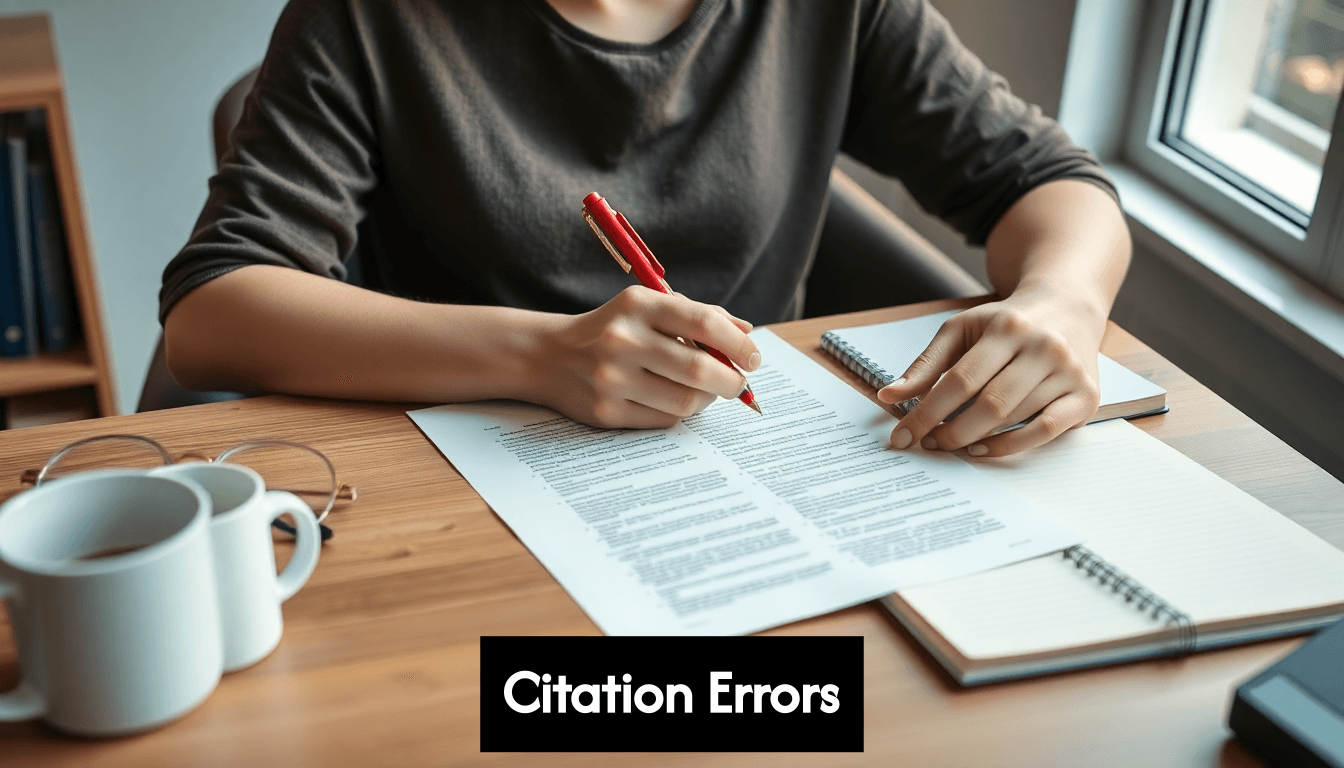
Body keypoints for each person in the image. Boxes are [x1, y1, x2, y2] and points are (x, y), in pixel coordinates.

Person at [161, 0, 1130, 458]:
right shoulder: (367, 17)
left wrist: (1062, 303)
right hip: (473, 479)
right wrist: (543, 357)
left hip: (752, 473)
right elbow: (212, 314)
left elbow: (1049, 181)